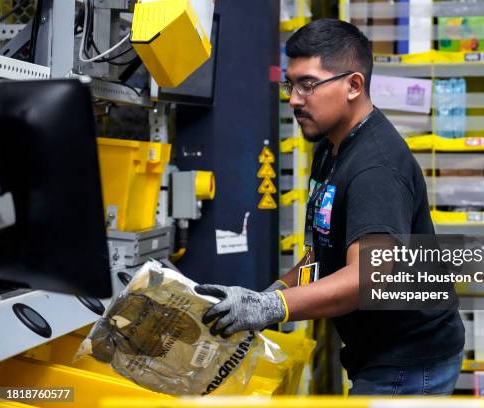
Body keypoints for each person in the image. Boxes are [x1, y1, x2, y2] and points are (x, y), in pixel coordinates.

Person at [195, 18, 465, 396]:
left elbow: (366, 277)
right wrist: (267, 295)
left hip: (408, 362)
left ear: (353, 85)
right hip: (378, 353)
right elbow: (324, 252)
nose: (293, 98)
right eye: (290, 84)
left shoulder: (375, 168)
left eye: (308, 84)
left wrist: (273, 306)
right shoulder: (331, 148)